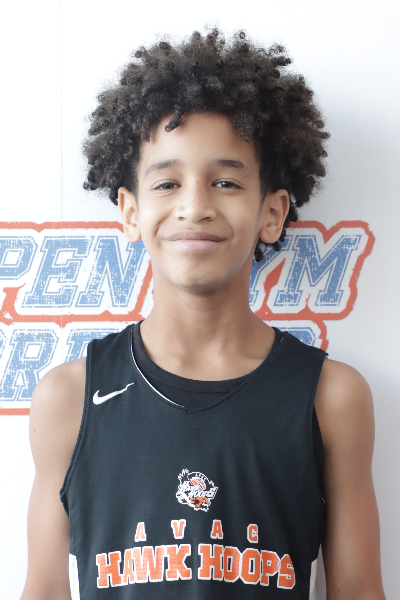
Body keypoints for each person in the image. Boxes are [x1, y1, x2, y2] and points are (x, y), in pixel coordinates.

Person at [21, 30, 386, 599]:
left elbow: (359, 591)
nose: (194, 206)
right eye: (168, 183)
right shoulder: (68, 397)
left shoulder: (331, 397)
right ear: (131, 211)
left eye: (226, 182)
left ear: (272, 213)